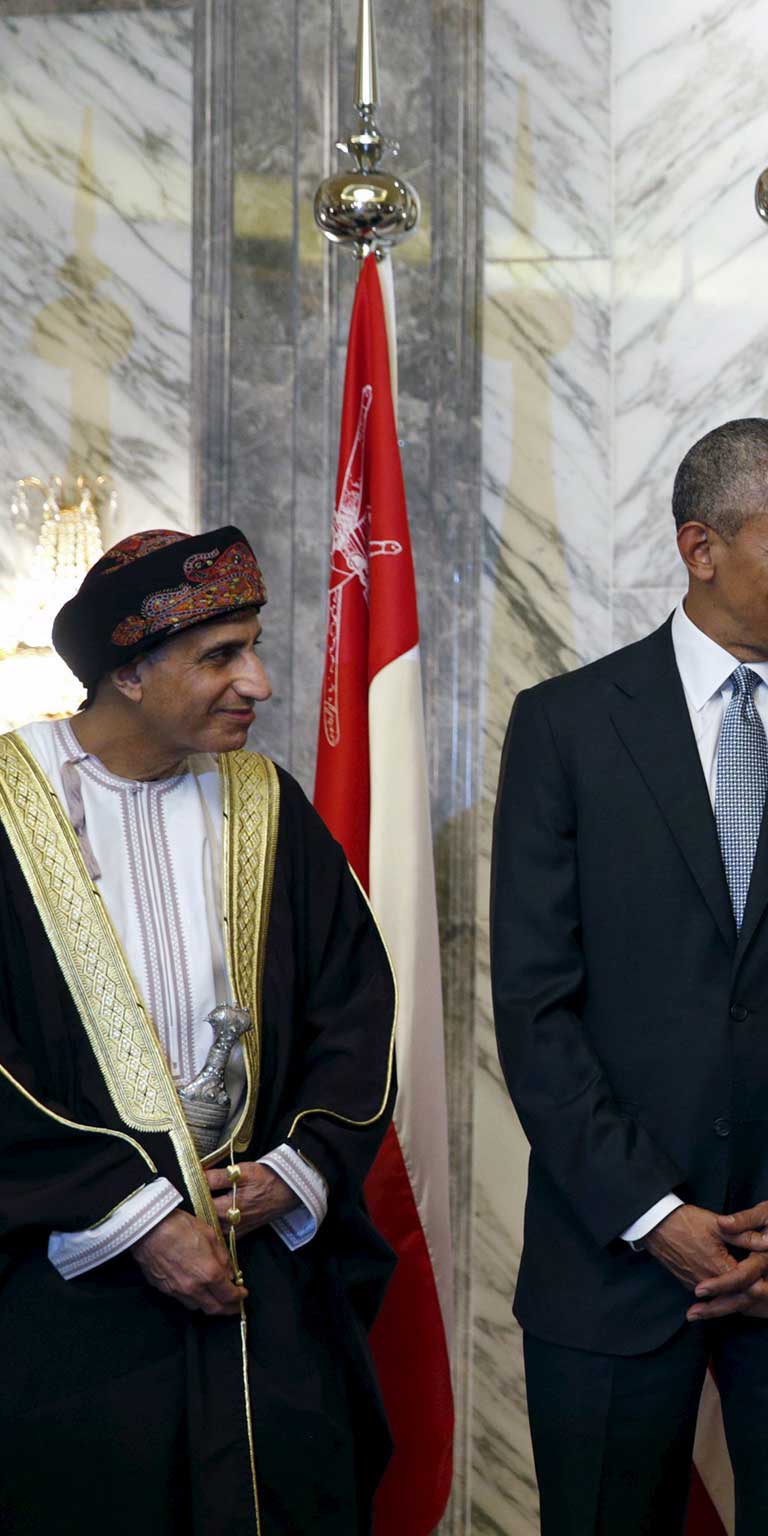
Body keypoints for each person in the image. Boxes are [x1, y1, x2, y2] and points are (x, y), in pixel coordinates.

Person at [492, 417, 768, 1533]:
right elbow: (535, 1006)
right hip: (612, 1260)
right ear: (702, 548)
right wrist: (654, 1213)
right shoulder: (565, 727)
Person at [0, 526, 397, 1534]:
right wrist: (134, 1218)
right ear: (128, 670)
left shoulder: (267, 804)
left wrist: (296, 1169)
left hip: (259, 1265)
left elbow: (352, 1009)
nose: (259, 681)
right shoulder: (9, 804)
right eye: (221, 655)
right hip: (63, 1282)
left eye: (252, 645)